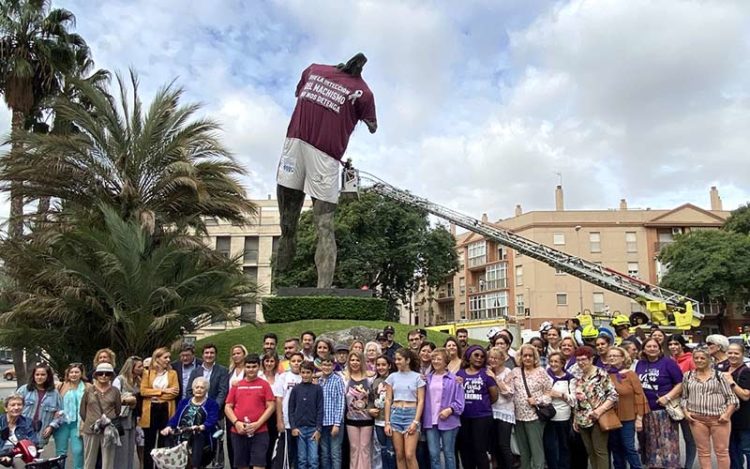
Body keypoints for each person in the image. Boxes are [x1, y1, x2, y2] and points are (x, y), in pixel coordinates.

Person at [276, 53, 377, 289]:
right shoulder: (313, 69)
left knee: (324, 225)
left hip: (326, 157)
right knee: (287, 224)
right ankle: (280, 281)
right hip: (295, 144)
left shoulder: (365, 93)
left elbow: (373, 126)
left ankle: (323, 291)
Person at [681, 347, 738, 469]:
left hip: (718, 419)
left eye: (702, 358)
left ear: (709, 359)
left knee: (722, 452)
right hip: (697, 419)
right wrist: (686, 412)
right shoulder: (688, 376)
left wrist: (726, 415)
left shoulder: (719, 376)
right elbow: (684, 397)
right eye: (696, 358)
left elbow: (732, 398)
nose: (699, 360)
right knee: (703, 452)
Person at [636, 337, 684, 469]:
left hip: (664, 412)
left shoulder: (668, 363)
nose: (652, 349)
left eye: (654, 346)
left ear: (660, 348)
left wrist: (668, 397)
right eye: (648, 346)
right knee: (650, 444)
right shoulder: (640, 364)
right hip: (646, 411)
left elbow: (680, 383)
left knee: (667, 445)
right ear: (644, 349)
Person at [225, 354, 276, 469]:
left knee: (259, 465)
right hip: (238, 431)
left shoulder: (264, 385)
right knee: (242, 465)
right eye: (248, 367)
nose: (251, 369)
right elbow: (228, 406)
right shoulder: (237, 385)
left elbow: (271, 406)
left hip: (260, 431)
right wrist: (236, 422)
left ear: (259, 367)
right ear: (244, 367)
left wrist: (258, 423)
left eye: (254, 366)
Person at [572, 346, 618, 469]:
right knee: (590, 451)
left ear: (591, 359)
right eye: (578, 360)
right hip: (582, 418)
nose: (581, 363)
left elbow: (613, 395)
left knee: (600, 451)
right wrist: (575, 419)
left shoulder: (601, 374)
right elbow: (576, 399)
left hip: (598, 418)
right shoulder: (577, 375)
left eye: (584, 359)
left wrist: (599, 410)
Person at [162, 376, 220, 468]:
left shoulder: (212, 404)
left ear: (206, 390)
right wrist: (168, 426)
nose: (199, 390)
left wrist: (201, 427)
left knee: (198, 437)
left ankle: (195, 465)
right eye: (197, 387)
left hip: (201, 437)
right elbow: (176, 417)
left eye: (202, 387)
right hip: (182, 434)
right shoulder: (184, 402)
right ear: (193, 389)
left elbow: (212, 419)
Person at [512, 343, 552, 469]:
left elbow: (549, 393)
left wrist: (538, 400)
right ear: (521, 357)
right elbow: (505, 386)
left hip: (534, 417)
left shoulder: (541, 372)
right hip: (518, 417)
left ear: (535, 357)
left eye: (530, 355)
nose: (527, 358)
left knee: (536, 450)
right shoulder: (515, 371)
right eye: (525, 356)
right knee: (523, 451)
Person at [457, 345, 498, 469]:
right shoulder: (460, 374)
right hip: (464, 417)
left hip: (482, 417)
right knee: (465, 450)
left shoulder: (486, 374)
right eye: (476, 355)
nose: (479, 358)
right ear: (469, 357)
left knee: (480, 450)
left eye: (482, 356)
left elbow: (494, 396)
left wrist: (481, 404)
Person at [606, 346, 647, 469]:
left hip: (628, 417)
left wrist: (639, 418)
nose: (612, 358)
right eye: (610, 356)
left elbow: (640, 396)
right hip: (611, 417)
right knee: (615, 448)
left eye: (615, 356)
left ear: (623, 358)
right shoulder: (605, 375)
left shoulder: (631, 374)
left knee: (628, 447)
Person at [423, 347, 464, 469]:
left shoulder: (455, 380)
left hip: (449, 421)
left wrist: (450, 410)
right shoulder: (427, 379)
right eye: (433, 358)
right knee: (433, 454)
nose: (435, 361)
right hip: (430, 422)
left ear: (446, 361)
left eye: (439, 359)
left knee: (449, 454)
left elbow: (460, 403)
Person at [385, 348, 425, 469]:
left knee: (409, 454)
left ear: (407, 360)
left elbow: (421, 400)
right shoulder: (392, 377)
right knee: (399, 454)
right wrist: (387, 422)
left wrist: (416, 421)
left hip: (411, 414)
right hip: (396, 414)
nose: (396, 362)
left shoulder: (418, 377)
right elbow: (388, 400)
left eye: (399, 359)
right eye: (395, 359)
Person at [141, 347, 179, 469]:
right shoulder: (147, 373)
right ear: (157, 358)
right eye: (165, 357)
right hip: (150, 410)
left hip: (166, 410)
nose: (168, 360)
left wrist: (156, 395)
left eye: (169, 357)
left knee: (164, 443)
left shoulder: (172, 373)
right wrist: (163, 391)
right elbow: (143, 391)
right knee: (149, 443)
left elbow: (174, 392)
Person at [80, 363, 122, 469]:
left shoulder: (115, 391)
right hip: (91, 428)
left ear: (111, 376)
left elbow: (118, 410)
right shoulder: (89, 390)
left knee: (108, 460)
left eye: (107, 374)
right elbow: (82, 411)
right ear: (96, 375)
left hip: (108, 429)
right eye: (100, 373)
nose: (103, 376)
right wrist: (92, 421)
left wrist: (107, 420)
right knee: (89, 460)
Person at [16, 363, 63, 448]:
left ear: (48, 376)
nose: (39, 377)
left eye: (43, 374)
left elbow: (60, 413)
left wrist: (51, 426)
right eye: (37, 374)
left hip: (40, 433)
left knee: (35, 460)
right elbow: (12, 408)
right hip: (22, 431)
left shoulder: (55, 394)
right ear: (33, 375)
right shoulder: (24, 390)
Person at [667, 334, 697, 469]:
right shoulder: (669, 361)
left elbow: (695, 381)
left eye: (676, 344)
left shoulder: (690, 360)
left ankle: (688, 466)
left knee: (689, 438)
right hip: (672, 403)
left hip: (687, 403)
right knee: (671, 437)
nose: (673, 347)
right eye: (670, 344)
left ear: (682, 345)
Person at [55, 363, 90, 469]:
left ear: (81, 373)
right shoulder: (61, 386)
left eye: (76, 372)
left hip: (79, 423)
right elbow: (54, 402)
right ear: (68, 373)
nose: (74, 374)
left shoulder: (88, 387)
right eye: (71, 372)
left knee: (78, 450)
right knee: (61, 452)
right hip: (62, 423)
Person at [289, 362, 324, 469]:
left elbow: (320, 410)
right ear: (300, 373)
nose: (305, 375)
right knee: (302, 459)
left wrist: (318, 429)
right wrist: (293, 427)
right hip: (300, 429)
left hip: (313, 429)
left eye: (308, 372)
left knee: (313, 459)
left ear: (312, 373)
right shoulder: (296, 389)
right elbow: (291, 409)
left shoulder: (317, 389)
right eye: (303, 372)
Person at [543, 352, 574, 469]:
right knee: (550, 446)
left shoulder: (570, 378)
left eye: (556, 362)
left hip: (563, 417)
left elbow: (573, 400)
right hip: (548, 416)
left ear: (562, 363)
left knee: (563, 446)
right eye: (551, 362)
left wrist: (560, 395)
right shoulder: (546, 376)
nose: (553, 364)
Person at [344, 350, 374, 469]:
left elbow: (374, 397)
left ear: (362, 362)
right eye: (352, 360)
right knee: (354, 448)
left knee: (365, 447)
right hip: (351, 419)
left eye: (357, 360)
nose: (355, 363)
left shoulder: (369, 378)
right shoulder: (345, 378)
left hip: (367, 419)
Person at [274, 352, 304, 469]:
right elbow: (279, 400)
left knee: (300, 455)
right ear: (289, 363)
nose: (296, 363)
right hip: (287, 421)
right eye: (294, 361)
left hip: (303, 421)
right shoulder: (283, 377)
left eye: (299, 361)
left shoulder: (306, 376)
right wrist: (279, 420)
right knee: (287, 453)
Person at [112, 356, 143, 469]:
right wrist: (127, 399)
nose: (142, 368)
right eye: (139, 366)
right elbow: (113, 399)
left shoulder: (138, 381)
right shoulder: (119, 380)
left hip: (133, 419)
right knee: (121, 449)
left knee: (130, 449)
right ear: (132, 367)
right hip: (121, 420)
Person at [487, 347, 515, 469]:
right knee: (493, 445)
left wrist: (495, 378)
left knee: (504, 444)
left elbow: (509, 393)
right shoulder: (487, 370)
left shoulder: (507, 372)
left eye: (496, 358)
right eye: (491, 358)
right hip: (491, 411)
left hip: (504, 411)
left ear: (502, 359)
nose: (493, 360)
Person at [725, 343, 750, 469]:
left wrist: (731, 382)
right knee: (733, 452)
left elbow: (746, 395)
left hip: (744, 420)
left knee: (747, 450)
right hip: (728, 419)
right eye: (730, 352)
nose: (732, 355)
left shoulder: (746, 371)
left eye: (736, 353)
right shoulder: (724, 369)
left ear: (742, 355)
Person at [319, 356, 346, 469]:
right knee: (324, 454)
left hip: (334, 423)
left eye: (329, 365)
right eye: (324, 365)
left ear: (333, 366)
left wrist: (337, 423)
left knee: (335, 453)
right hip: (322, 423)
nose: (326, 367)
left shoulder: (337, 380)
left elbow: (341, 402)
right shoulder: (319, 381)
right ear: (321, 366)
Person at [187, 343, 229, 409]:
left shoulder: (223, 371)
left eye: (212, 353)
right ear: (203, 355)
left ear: (215, 355)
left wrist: (215, 407)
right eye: (206, 353)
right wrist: (193, 406)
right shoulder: (195, 372)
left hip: (214, 410)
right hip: (196, 409)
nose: (209, 355)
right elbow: (189, 391)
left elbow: (222, 392)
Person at [0, 394, 39, 464]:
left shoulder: (28, 422)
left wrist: (14, 453)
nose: (16, 407)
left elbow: (34, 441)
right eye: (13, 405)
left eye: (19, 404)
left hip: (21, 455)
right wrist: (4, 455)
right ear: (6, 408)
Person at [373, 355, 396, 469]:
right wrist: (370, 409)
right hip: (378, 421)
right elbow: (371, 399)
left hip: (392, 420)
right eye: (378, 365)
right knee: (382, 450)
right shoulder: (376, 381)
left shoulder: (394, 380)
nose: (380, 367)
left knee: (391, 450)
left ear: (389, 366)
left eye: (383, 365)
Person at [258, 351, 280, 469]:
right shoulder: (258, 376)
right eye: (267, 361)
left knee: (272, 443)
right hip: (261, 415)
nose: (269, 363)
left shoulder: (280, 377)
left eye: (272, 361)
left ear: (276, 362)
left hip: (275, 415)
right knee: (261, 445)